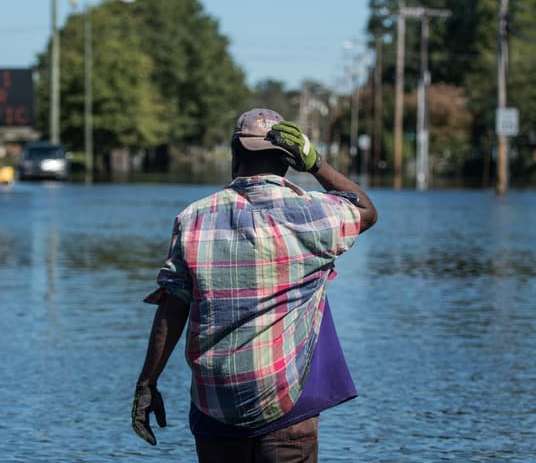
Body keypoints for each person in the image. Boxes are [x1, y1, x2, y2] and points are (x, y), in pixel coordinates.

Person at [132, 108, 379, 462]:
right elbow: (366, 211)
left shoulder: (193, 219)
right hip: (286, 406)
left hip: (215, 404)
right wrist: (316, 164)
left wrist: (147, 383)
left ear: (235, 155)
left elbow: (173, 307)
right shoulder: (316, 215)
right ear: (289, 162)